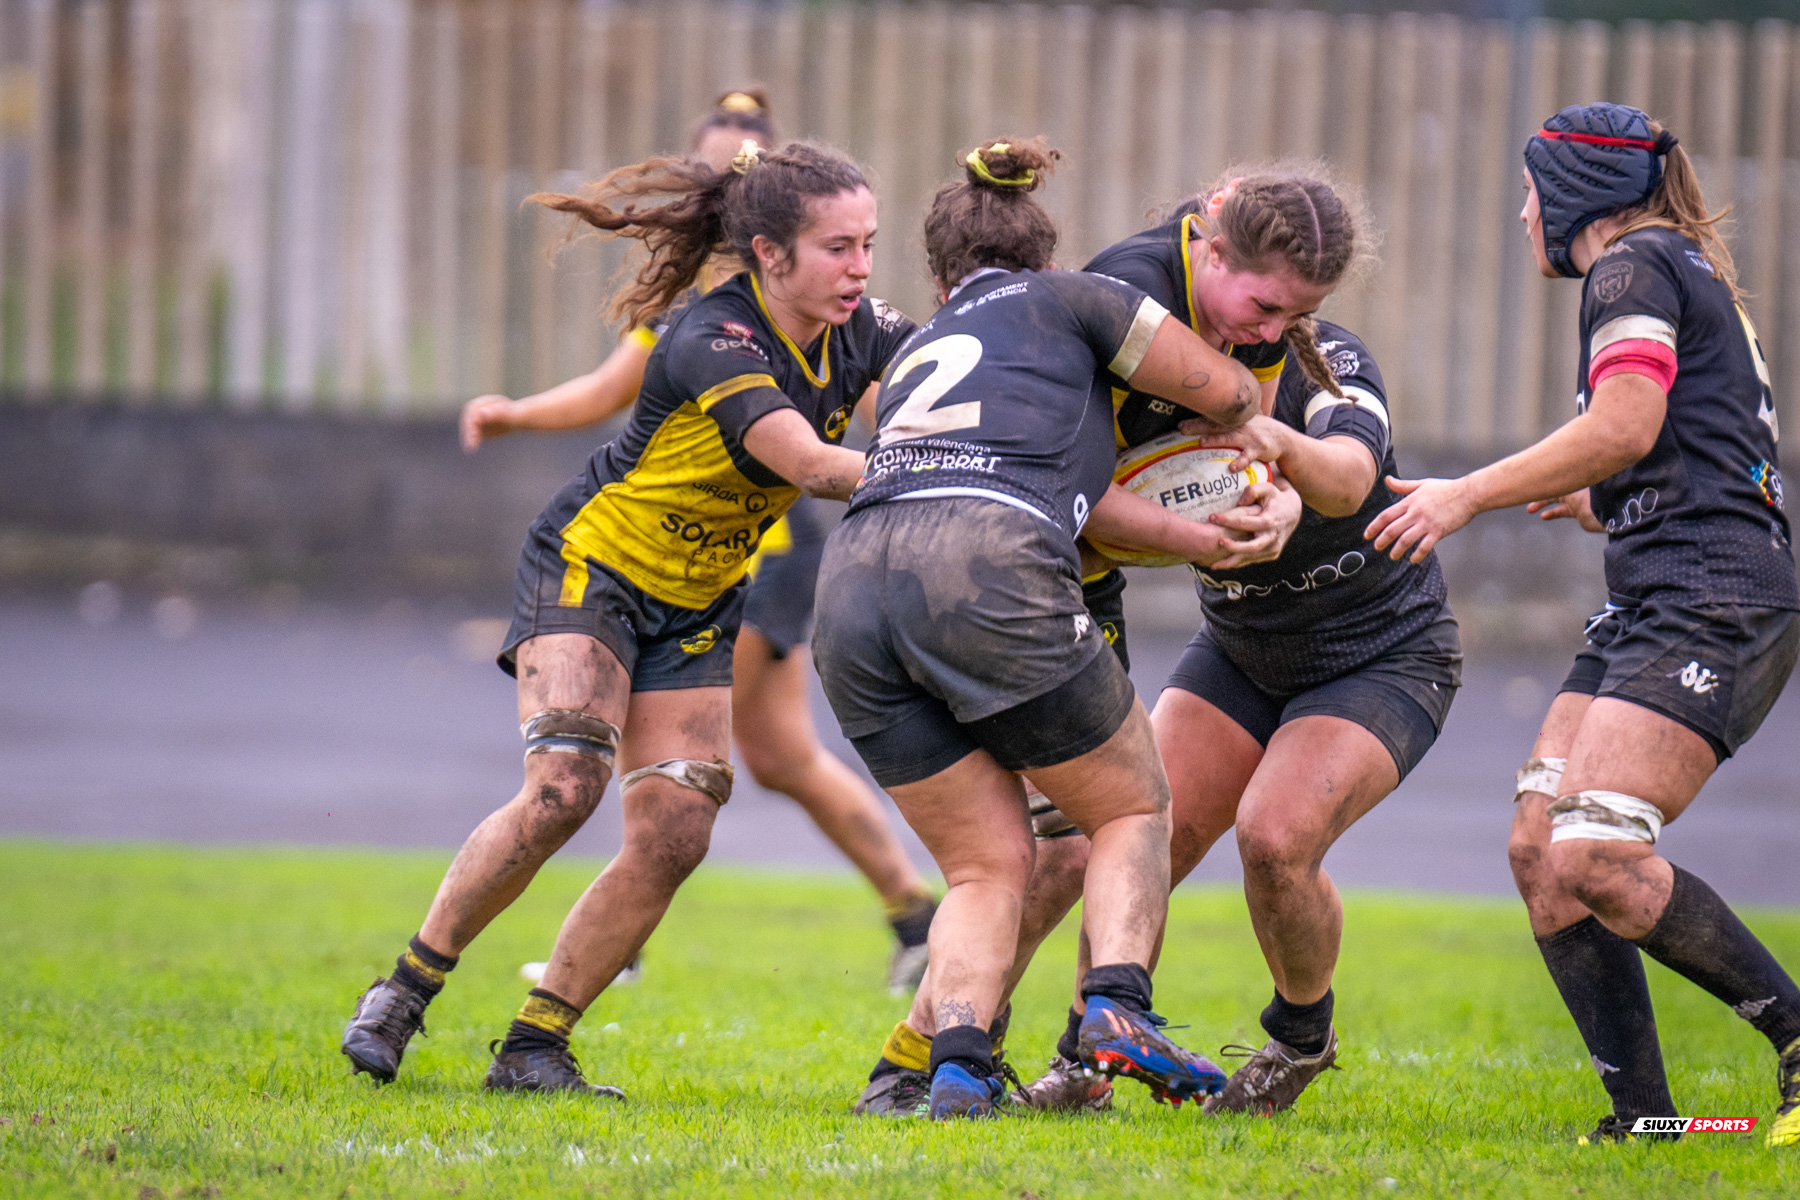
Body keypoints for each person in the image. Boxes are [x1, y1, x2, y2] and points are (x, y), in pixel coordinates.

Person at [340, 137, 919, 1099]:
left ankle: (535, 1047)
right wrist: (957, 475)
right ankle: (404, 990)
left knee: (678, 829)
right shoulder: (713, 335)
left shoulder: (862, 330)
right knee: (565, 787)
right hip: (591, 570)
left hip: (698, 599)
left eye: (869, 245)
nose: (861, 268)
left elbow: (953, 375)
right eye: (837, 248)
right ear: (770, 253)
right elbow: (811, 464)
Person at [855, 171, 1406, 1120]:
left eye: (1302, 312)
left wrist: (1263, 475)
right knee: (1102, 823)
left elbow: (1279, 449)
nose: (1276, 330)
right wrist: (1209, 515)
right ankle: (1068, 1027)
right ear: (1210, 244)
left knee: (1038, 851)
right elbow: (1093, 490)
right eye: (1267, 304)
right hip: (1026, 569)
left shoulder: (1288, 340)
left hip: (886, 582)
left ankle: (955, 1065)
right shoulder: (1122, 296)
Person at [1367, 103, 1800, 1147]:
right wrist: (1607, 500)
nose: (1522, 213)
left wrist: (1465, 493)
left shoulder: (1632, 268)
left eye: (1530, 190)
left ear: (1576, 193)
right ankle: (1643, 1118)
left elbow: (1626, 423)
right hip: (1658, 588)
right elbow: (1697, 441)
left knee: (1595, 849)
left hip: (1711, 594)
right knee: (1538, 845)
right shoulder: (1672, 265)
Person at [458, 90, 939, 993]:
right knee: (779, 757)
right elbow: (609, 390)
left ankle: (627, 941)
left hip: (763, 552)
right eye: (718, 166)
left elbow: (881, 408)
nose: (731, 178)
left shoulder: (826, 307)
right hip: (698, 545)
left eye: (746, 164)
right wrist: (516, 412)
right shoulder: (706, 317)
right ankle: (914, 913)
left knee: (720, 752)